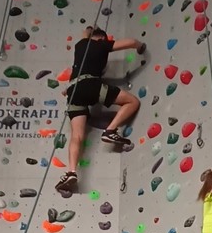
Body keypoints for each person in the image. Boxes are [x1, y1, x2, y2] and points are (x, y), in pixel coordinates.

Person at [56, 26, 146, 194]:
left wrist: (90, 32)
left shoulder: (80, 45)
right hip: (90, 85)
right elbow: (131, 42)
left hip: (73, 91)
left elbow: (86, 32)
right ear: (102, 39)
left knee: (76, 136)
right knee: (132, 102)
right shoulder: (101, 44)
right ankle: (110, 130)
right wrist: (140, 47)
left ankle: (71, 171)